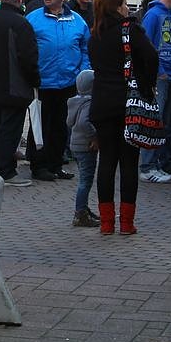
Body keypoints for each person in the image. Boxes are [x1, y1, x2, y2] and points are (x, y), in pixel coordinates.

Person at [87, 0, 158, 235]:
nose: (128, 8)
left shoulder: (95, 33)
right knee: (129, 162)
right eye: (125, 4)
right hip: (129, 102)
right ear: (117, 7)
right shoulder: (130, 30)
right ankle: (127, 222)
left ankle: (106, 222)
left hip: (102, 102)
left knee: (106, 161)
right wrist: (147, 84)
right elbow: (151, 56)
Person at [27, 0, 90, 181]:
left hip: (68, 83)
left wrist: (82, 72)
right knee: (41, 126)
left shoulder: (76, 20)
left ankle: (56, 164)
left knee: (61, 127)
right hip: (43, 82)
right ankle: (39, 166)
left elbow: (85, 48)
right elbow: (25, 48)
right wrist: (31, 72)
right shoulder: (33, 18)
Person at [0, 0, 40, 186]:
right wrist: (35, 81)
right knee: (10, 130)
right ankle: (6, 171)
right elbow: (28, 58)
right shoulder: (21, 23)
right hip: (15, 87)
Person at [139, 0, 171, 184]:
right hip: (159, 77)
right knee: (154, 121)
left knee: (168, 121)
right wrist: (155, 72)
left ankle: (159, 161)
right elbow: (145, 46)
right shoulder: (153, 15)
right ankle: (146, 166)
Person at [65, 69, 99, 226]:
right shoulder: (89, 103)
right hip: (85, 145)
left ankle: (83, 208)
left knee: (84, 179)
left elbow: (69, 122)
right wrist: (94, 135)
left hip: (75, 144)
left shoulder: (74, 102)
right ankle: (80, 213)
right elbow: (84, 123)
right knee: (86, 181)